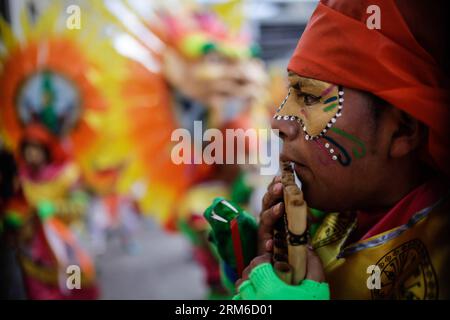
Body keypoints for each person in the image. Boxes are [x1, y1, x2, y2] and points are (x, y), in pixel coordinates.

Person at [234, 0, 450, 299]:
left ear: (402, 130)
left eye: (308, 98)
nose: (279, 122)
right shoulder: (333, 212)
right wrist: (267, 262)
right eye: (289, 95)